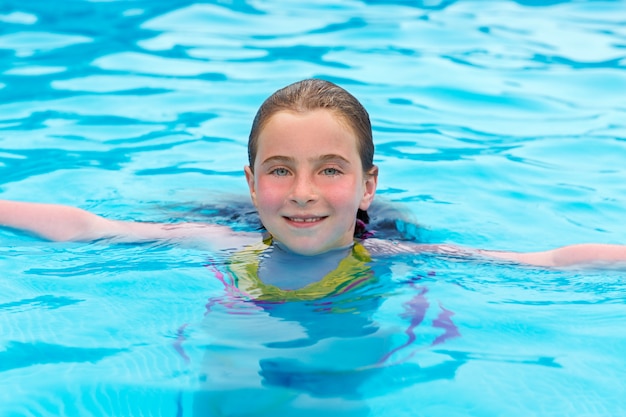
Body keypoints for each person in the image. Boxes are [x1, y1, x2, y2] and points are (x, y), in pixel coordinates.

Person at [1, 78, 626, 279]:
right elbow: (87, 227)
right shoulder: (223, 242)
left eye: (330, 170)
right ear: (251, 185)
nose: (302, 190)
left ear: (367, 184)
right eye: (280, 171)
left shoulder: (393, 253)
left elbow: (543, 260)